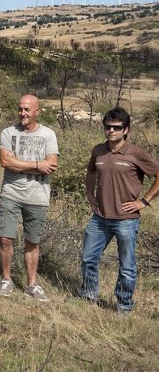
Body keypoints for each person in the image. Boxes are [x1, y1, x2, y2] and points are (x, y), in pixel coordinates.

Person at [79, 107, 159, 314]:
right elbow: (90, 171)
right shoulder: (98, 150)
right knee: (88, 258)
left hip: (126, 219)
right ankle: (88, 294)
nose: (111, 131)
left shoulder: (137, 153)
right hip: (100, 218)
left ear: (126, 130)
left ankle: (124, 304)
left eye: (117, 127)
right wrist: (90, 194)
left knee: (127, 265)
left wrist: (144, 201)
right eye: (108, 127)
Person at [0, 95, 58, 301]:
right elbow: (5, 161)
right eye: (20, 109)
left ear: (37, 112)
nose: (22, 113)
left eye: (27, 110)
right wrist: (37, 165)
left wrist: (20, 163)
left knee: (32, 241)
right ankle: (6, 279)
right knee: (5, 237)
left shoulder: (48, 134)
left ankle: (32, 283)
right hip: (11, 193)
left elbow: (51, 165)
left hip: (37, 196)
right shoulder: (8, 132)